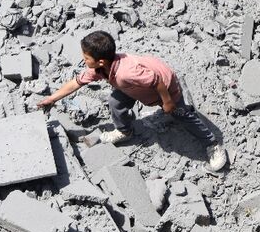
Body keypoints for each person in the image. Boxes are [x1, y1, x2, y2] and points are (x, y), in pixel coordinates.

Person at [37, 30, 228, 172]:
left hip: (165, 86)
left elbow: (157, 81)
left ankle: (212, 144)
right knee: (115, 101)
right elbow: (76, 83)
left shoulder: (126, 73)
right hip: (135, 87)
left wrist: (167, 102)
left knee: (181, 115)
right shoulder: (101, 69)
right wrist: (52, 99)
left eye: (86, 57)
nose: (83, 59)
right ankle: (124, 131)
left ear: (101, 61)